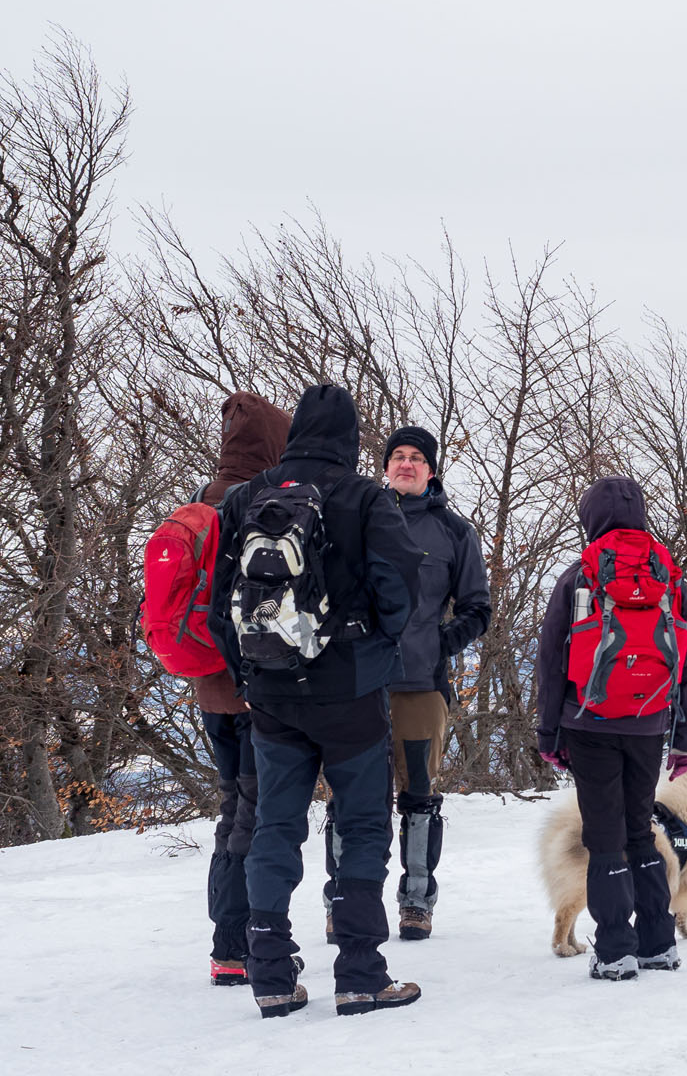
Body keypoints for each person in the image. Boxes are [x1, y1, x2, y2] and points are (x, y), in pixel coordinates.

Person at [207, 383, 422, 1019]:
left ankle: (270, 973)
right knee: (359, 826)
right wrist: (374, 644)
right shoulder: (365, 497)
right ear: (351, 436)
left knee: (275, 825)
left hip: (272, 694)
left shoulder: (248, 495)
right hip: (351, 690)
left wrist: (247, 671)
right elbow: (399, 587)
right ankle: (360, 972)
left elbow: (220, 599)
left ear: (297, 429)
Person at [535, 475, 687, 980]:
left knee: (604, 837)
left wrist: (550, 734)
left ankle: (614, 951)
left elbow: (551, 660)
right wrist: (685, 738)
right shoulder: (668, 576)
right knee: (640, 833)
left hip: (589, 722)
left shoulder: (580, 575)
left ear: (591, 518)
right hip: (649, 723)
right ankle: (658, 944)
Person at [373, 424, 490, 940]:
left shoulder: (454, 532)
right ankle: (344, 901)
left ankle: (416, 903)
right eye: (396, 455)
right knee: (353, 798)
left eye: (415, 457)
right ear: (384, 467)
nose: (405, 463)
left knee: (417, 794)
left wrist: (437, 645)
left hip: (420, 687)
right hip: (355, 686)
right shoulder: (355, 520)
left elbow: (477, 608)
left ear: (431, 469)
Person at [197, 390, 291, 987]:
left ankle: (224, 942)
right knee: (253, 817)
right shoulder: (265, 504)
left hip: (209, 688)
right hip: (255, 688)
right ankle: (237, 945)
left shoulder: (200, 503)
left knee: (232, 807)